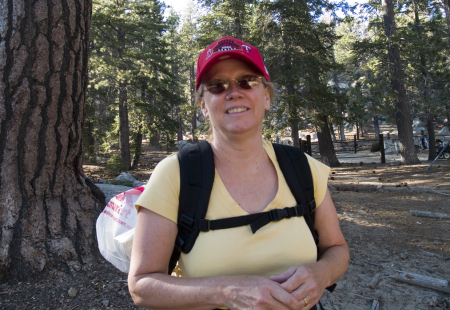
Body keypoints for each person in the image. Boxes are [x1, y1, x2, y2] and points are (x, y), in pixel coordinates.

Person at [128, 36, 349, 310]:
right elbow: (142, 286)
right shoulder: (176, 174)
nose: (233, 92)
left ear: (266, 97)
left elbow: (337, 249)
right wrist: (225, 292)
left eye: (247, 81)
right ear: (203, 106)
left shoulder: (301, 167)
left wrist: (321, 274)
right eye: (217, 86)